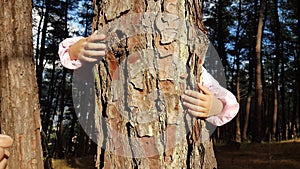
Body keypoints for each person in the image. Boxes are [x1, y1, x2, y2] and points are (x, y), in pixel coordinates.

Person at [58, 31, 239, 126]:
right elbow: (77, 61)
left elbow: (226, 101)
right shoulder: (114, 37)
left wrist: (215, 106)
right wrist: (76, 51)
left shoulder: (191, 66)